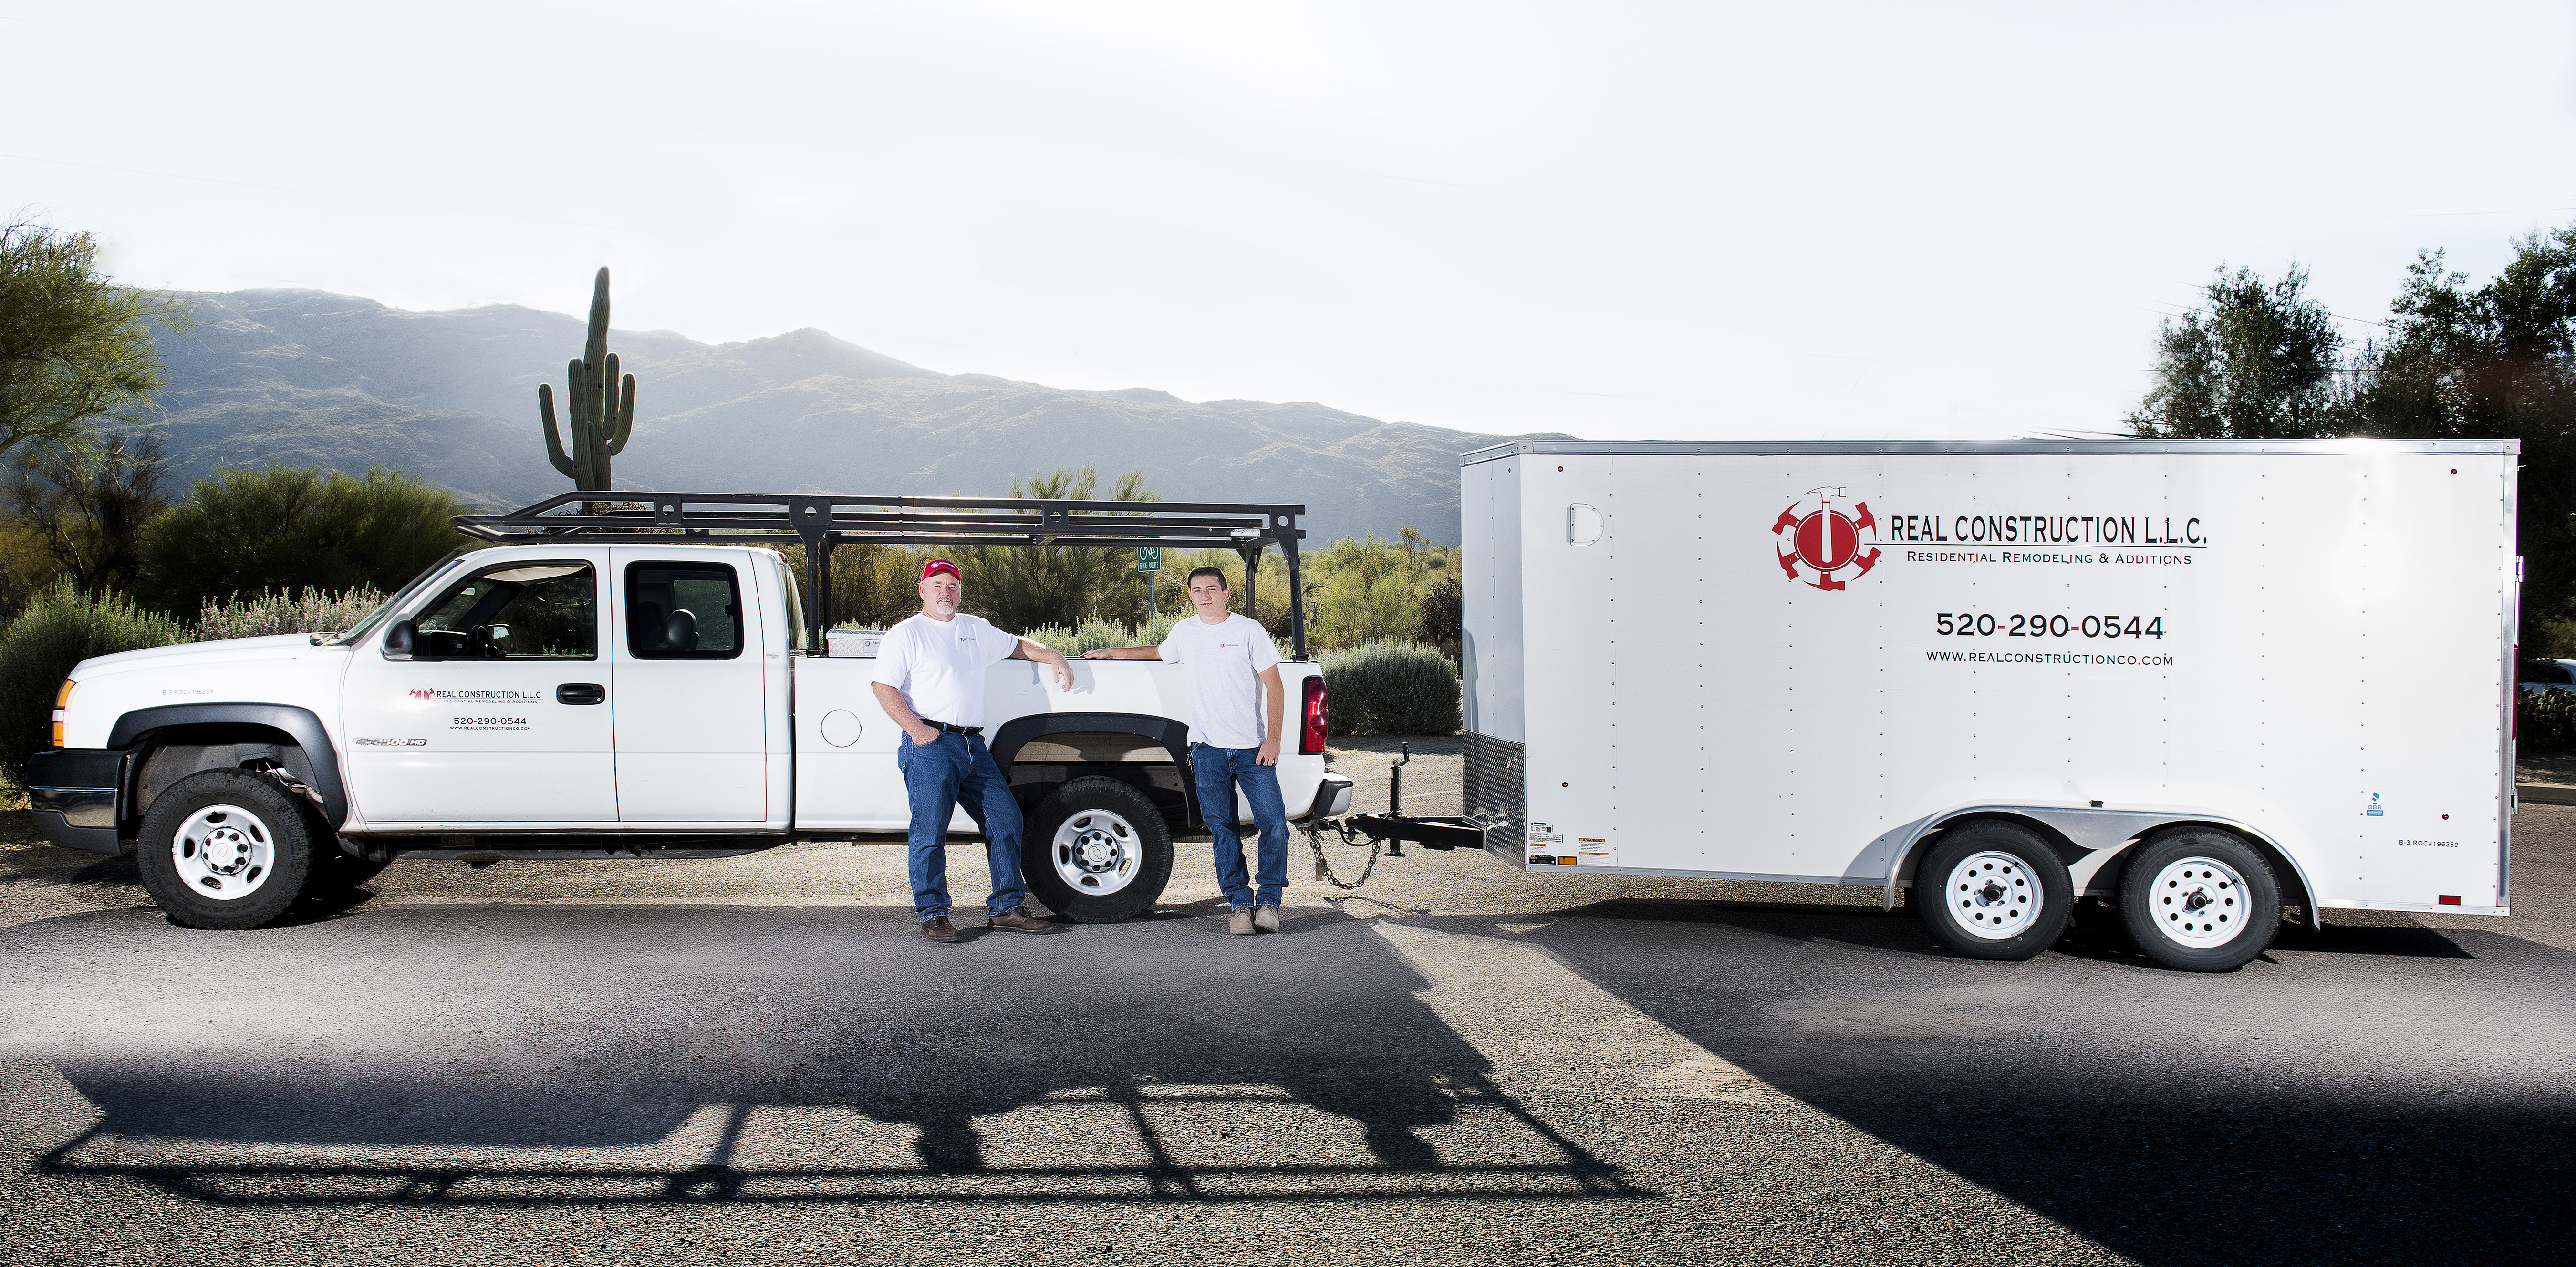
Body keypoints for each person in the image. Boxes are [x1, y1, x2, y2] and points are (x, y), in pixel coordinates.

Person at [871, 558, 1075, 942]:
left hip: (973, 746)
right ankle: (933, 913)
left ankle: (1006, 908)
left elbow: (1016, 645)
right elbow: (884, 686)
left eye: (952, 585)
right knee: (930, 831)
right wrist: (919, 732)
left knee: (1006, 820)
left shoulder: (974, 629)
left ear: (960, 591)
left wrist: (1053, 655)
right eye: (937, 585)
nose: (945, 592)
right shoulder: (906, 634)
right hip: (932, 744)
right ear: (922, 590)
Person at [1083, 565, 1289, 936]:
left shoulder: (1248, 631)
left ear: (1227, 594)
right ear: (1191, 595)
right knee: (1221, 827)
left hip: (1252, 749)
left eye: (1212, 589)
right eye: (1197, 590)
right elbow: (1159, 653)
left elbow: (1275, 685)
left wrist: (1273, 739)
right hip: (1208, 749)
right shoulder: (1185, 631)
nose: (1205, 595)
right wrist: (1115, 653)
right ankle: (1240, 904)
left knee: (1273, 822)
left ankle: (1270, 902)